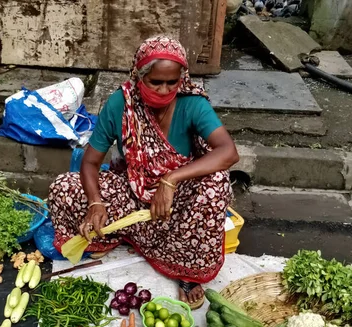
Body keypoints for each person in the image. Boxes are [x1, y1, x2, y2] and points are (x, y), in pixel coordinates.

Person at [49, 36, 239, 309]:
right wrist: (95, 202)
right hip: (131, 195)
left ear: (181, 79)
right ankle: (114, 234)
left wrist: (171, 179)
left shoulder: (192, 104)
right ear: (138, 77)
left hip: (173, 207)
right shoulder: (120, 104)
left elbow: (228, 152)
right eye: (155, 82)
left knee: (216, 183)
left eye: (171, 82)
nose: (164, 90)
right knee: (63, 188)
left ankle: (186, 267)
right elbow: (90, 163)